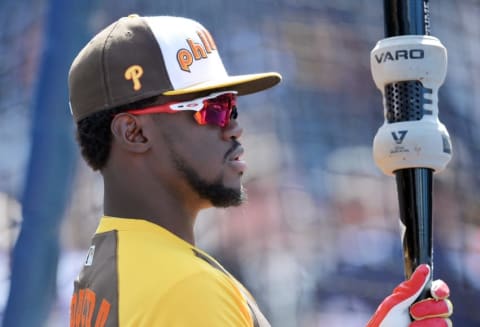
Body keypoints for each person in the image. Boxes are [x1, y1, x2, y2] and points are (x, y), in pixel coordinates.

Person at [68, 14, 453, 326]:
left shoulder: (108, 258)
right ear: (133, 132)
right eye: (211, 108)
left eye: (232, 106)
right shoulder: (187, 287)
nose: (234, 125)